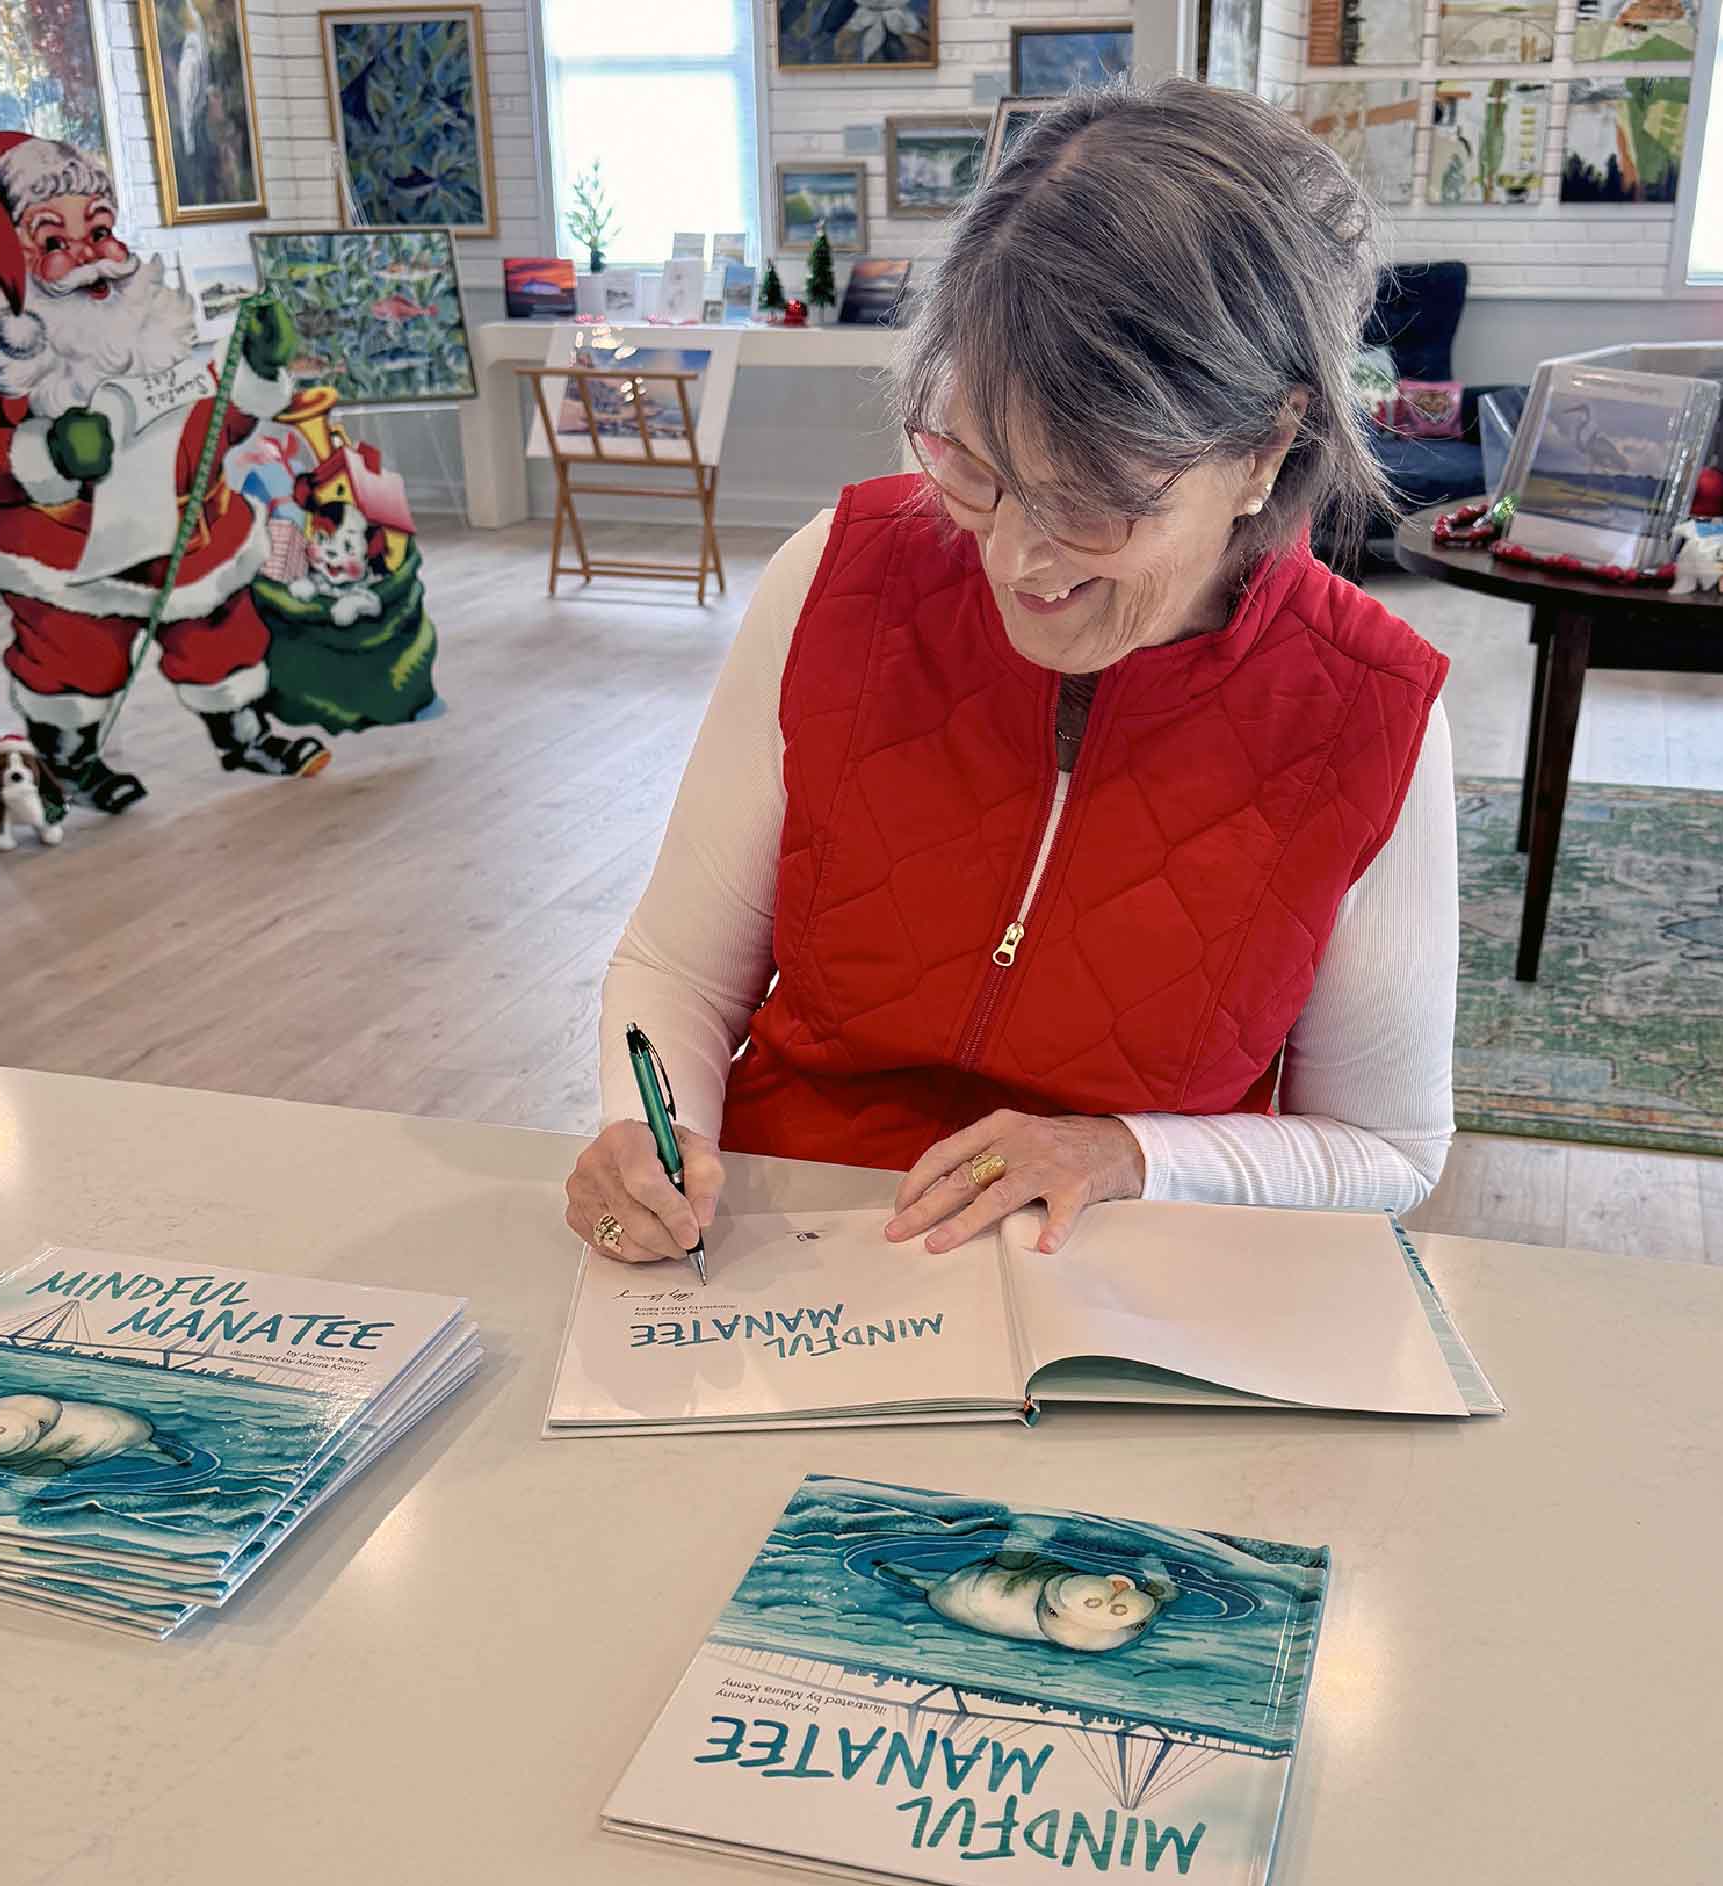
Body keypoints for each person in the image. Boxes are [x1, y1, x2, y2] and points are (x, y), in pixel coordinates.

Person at [565, 80, 1457, 1264]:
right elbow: (676, 968)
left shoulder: (1365, 708)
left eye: (1089, 503)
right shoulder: (835, 581)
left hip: (1121, 1293)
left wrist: (1125, 1150)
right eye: (972, 466)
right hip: (777, 1260)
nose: (1012, 556)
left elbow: (1386, 1149)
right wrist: (650, 1130)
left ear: (1265, 448)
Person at [0, 131, 330, 813]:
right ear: (15, 264)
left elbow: (215, 428)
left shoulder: (157, 336)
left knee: (219, 628)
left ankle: (243, 731)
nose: (89, 257)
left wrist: (258, 375)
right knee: (73, 654)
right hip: (71, 549)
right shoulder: (12, 366)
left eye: (100, 229)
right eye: (54, 241)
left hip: (188, 528)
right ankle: (68, 762)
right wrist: (47, 455)